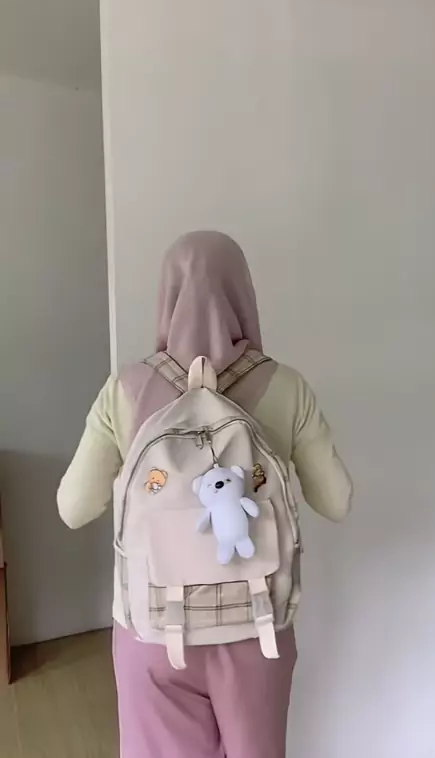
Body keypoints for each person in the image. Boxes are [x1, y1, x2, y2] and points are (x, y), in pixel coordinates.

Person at [57, 231, 352, 758]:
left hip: (152, 630)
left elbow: (73, 509)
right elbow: (337, 501)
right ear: (243, 295)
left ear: (167, 298)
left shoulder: (123, 390)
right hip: (257, 626)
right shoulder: (287, 386)